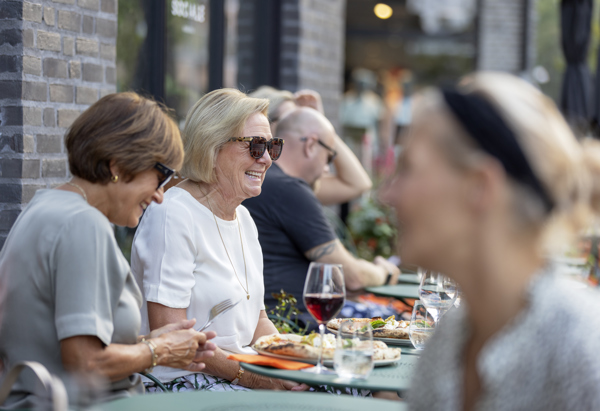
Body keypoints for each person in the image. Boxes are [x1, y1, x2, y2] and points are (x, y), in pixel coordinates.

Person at [380, 72, 600, 410]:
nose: (387, 194)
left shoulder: (582, 350)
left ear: (480, 186)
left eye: (408, 168)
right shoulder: (449, 341)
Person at [0, 93, 216, 408]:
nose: (160, 196)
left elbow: (47, 341)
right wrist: (161, 352)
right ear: (118, 164)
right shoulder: (83, 225)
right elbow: (86, 364)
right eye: (161, 177)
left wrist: (153, 342)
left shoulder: (44, 205)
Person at [131, 88, 308, 392]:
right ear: (212, 147)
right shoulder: (173, 212)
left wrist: (294, 362)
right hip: (182, 382)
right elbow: (167, 334)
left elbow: (258, 322)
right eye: (255, 146)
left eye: (271, 146)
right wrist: (253, 376)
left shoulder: (244, 219)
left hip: (241, 372)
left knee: (353, 388)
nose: (266, 158)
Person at [243, 107, 400, 326]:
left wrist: (321, 127)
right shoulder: (289, 189)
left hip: (276, 319)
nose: (327, 168)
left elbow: (359, 184)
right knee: (398, 320)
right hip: (294, 323)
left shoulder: (266, 182)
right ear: (310, 146)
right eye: (329, 156)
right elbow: (353, 277)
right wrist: (384, 272)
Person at [250, 86, 372, 206]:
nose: (296, 123)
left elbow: (358, 184)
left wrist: (321, 128)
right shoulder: (251, 175)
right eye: (289, 118)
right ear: (263, 121)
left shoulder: (298, 177)